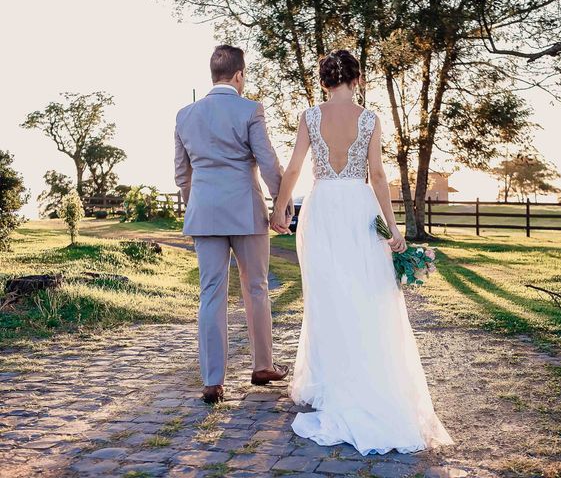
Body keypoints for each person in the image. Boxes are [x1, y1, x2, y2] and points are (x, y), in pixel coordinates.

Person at [270, 49, 454, 455]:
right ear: (356, 80)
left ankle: (334, 382)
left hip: (321, 210)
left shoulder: (309, 116)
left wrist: (280, 207)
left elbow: (295, 168)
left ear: (323, 82)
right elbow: (377, 174)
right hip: (358, 207)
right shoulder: (369, 119)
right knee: (367, 294)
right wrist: (393, 229)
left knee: (326, 296)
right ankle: (365, 379)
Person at [174, 45, 294, 404]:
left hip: (204, 213)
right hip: (246, 211)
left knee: (211, 292)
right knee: (255, 287)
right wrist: (281, 207)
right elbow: (269, 162)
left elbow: (182, 174)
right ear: (239, 75)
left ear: (213, 75)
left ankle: (213, 381)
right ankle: (262, 366)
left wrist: (198, 200)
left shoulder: (185, 115)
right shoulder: (250, 110)